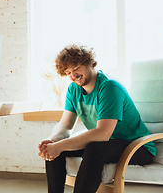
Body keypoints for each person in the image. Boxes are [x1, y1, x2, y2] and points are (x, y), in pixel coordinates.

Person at [38, 44, 156, 193]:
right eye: (68, 72)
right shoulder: (74, 89)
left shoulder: (110, 87)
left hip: (138, 147)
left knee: (94, 148)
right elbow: (65, 125)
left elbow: (102, 134)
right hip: (108, 144)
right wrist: (53, 142)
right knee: (57, 147)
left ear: (89, 62)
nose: (73, 75)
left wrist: (60, 146)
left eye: (75, 68)